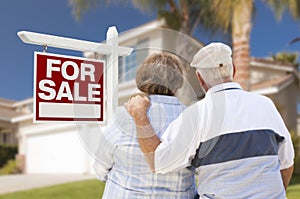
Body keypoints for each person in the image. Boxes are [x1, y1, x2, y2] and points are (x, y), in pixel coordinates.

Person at [125, 42, 295, 198]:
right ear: (233, 70)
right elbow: (286, 165)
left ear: (200, 79)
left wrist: (140, 116)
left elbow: (158, 161)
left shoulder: (196, 115)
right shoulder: (265, 105)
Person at [93, 52, 197, 198]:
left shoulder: (125, 114)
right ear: (178, 81)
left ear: (143, 78)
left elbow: (101, 165)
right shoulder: (193, 118)